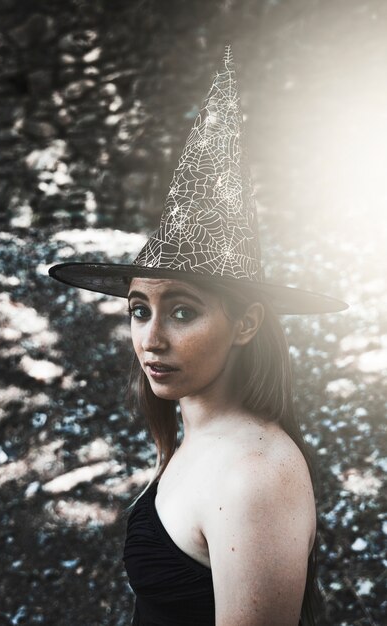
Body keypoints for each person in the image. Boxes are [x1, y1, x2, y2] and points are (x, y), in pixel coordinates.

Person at [49, 46, 347, 625]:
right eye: (139, 310)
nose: (151, 338)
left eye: (182, 313)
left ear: (247, 322)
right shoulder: (197, 439)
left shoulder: (254, 473)